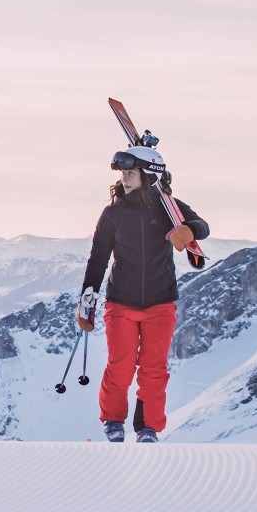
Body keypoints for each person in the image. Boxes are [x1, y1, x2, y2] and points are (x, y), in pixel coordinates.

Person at [77, 146, 209, 443]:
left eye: (131, 173)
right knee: (120, 365)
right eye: (123, 174)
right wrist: (88, 299)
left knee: (153, 369)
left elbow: (203, 226)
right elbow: (98, 258)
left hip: (160, 303)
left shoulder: (168, 207)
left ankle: (147, 427)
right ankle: (113, 421)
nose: (124, 179)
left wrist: (189, 230)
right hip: (120, 302)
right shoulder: (112, 214)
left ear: (147, 175)